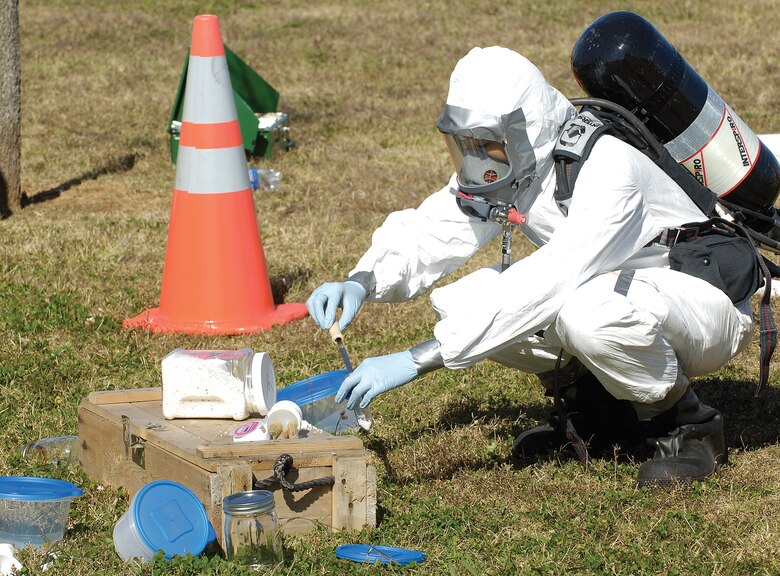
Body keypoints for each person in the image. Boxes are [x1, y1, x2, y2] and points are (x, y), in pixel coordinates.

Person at [306, 46, 754, 487]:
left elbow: (555, 276)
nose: (474, 157)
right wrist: (361, 280)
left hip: (701, 304)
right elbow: (437, 226)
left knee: (588, 314)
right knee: (467, 300)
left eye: (484, 143)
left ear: (525, 130)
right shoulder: (523, 163)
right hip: (616, 293)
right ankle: (599, 416)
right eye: (464, 144)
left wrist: (416, 358)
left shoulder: (608, 166)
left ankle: (686, 426)